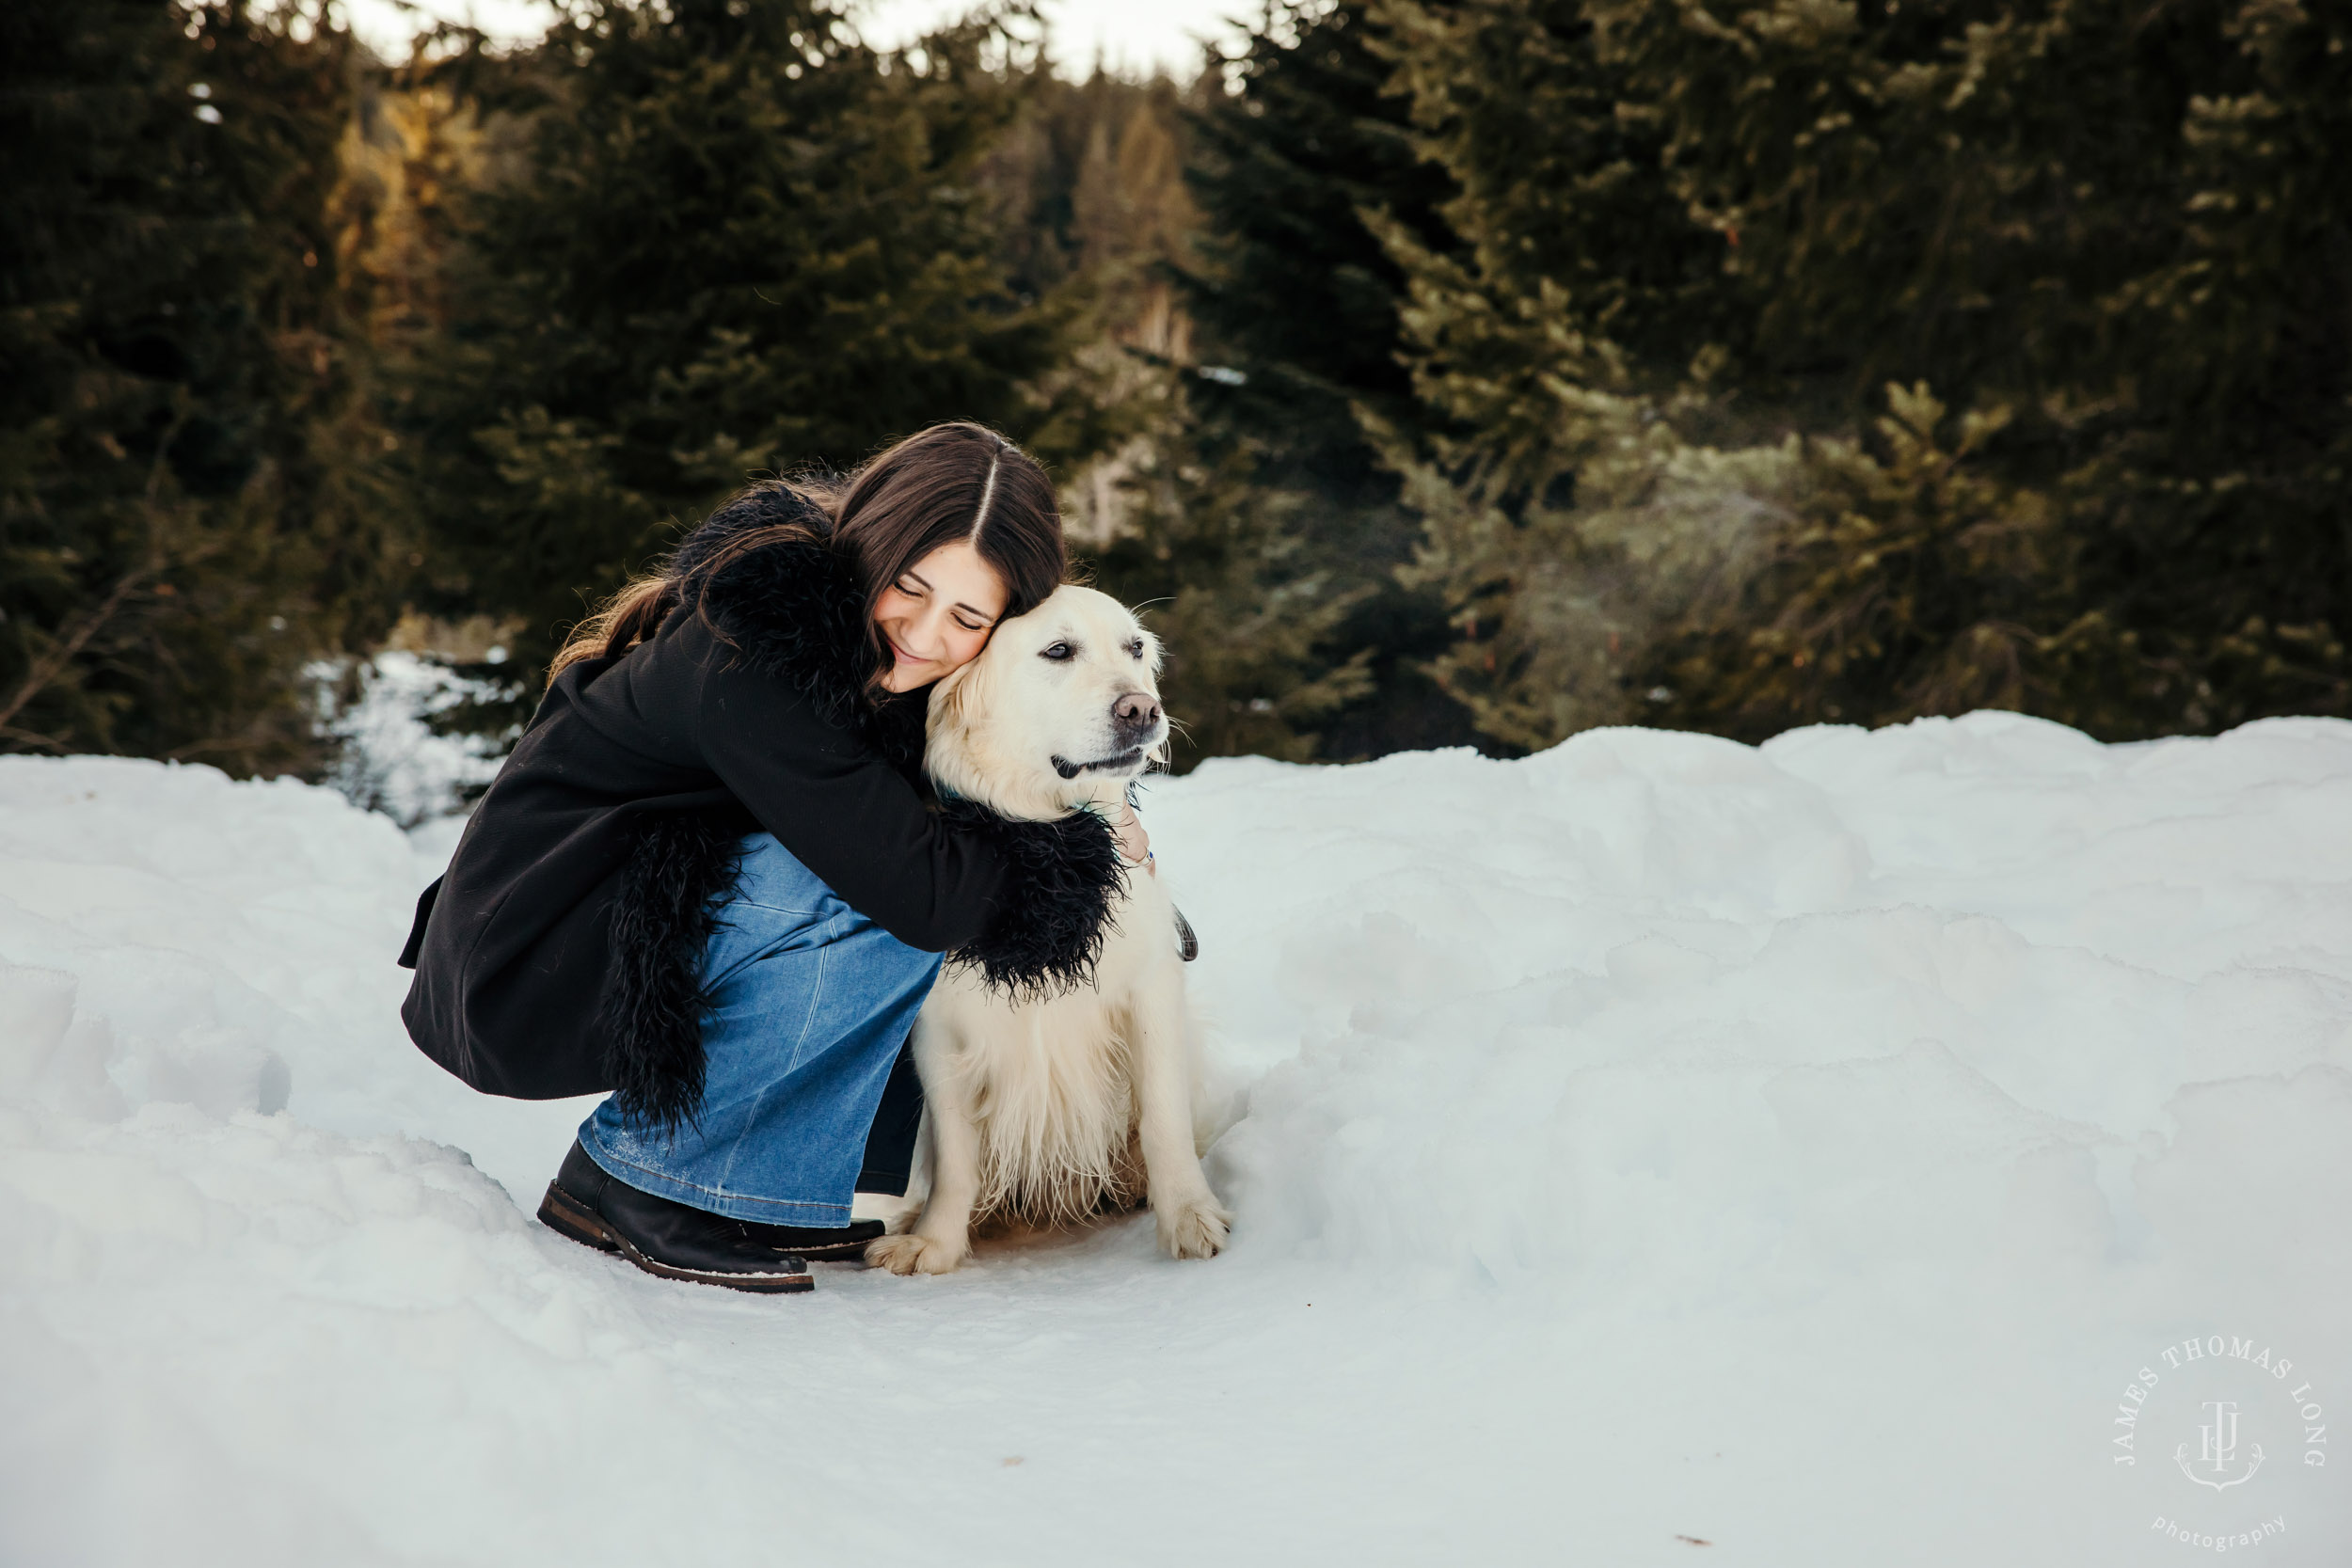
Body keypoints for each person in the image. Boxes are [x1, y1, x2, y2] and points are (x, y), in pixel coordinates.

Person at [397, 423, 1143, 1294]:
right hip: (535, 941)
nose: (928, 633)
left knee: (913, 869)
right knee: (894, 888)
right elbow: (925, 890)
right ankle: (634, 1177)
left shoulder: (878, 662)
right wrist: (1071, 856)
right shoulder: (755, 653)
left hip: (637, 903)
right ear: (872, 545)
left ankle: (742, 1183)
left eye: (969, 618)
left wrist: (1099, 810)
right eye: (910, 588)